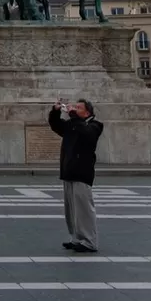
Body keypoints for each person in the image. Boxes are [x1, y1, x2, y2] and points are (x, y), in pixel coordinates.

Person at [48, 97, 104, 253]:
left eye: (78, 107)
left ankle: (90, 241)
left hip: (82, 172)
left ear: (87, 112)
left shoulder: (95, 125)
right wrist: (55, 112)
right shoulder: (73, 124)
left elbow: (87, 135)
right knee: (71, 209)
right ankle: (76, 238)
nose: (74, 109)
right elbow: (56, 126)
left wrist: (73, 117)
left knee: (84, 209)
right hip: (68, 170)